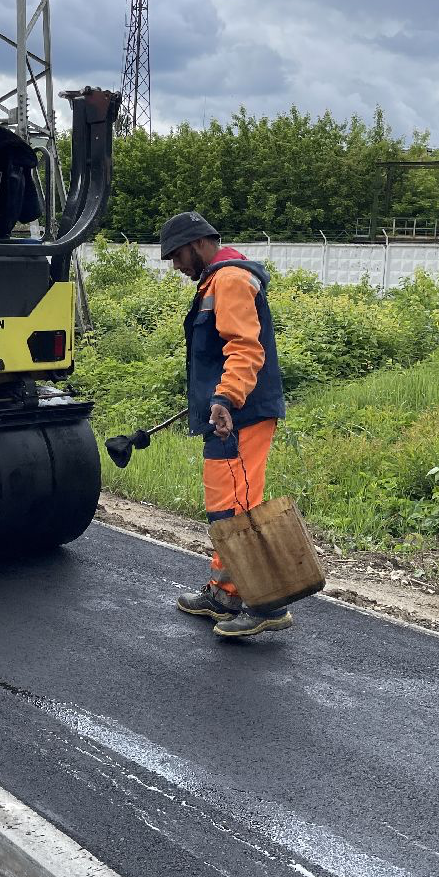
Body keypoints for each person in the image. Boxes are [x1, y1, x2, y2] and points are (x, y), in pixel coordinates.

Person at [161, 211, 291, 639]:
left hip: (240, 415)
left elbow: (244, 349)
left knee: (238, 508)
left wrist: (226, 398)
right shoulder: (216, 281)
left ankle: (267, 602)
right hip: (224, 418)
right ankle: (225, 593)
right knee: (224, 508)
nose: (176, 266)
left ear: (198, 244)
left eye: (177, 256)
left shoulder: (231, 279)